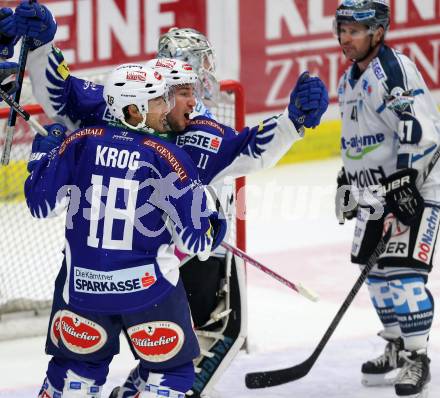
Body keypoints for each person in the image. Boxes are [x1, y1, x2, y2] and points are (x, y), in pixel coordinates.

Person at [9, 2, 328, 397]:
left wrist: (292, 122)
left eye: (192, 88)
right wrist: (41, 47)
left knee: (87, 368)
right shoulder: (152, 123)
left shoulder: (130, 116)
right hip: (152, 271)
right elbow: (63, 96)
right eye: (179, 91)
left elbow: (45, 183)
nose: (193, 99)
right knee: (171, 370)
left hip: (108, 267)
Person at [24, 63, 227, 398]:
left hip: (82, 288)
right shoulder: (169, 156)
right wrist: (215, 218)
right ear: (133, 111)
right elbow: (198, 240)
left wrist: (42, 156)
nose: (166, 108)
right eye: (159, 101)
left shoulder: (79, 142)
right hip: (148, 292)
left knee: (74, 374)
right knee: (171, 374)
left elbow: (41, 205)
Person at [334, 1, 439, 397]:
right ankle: (395, 346)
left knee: (403, 276)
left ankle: (417, 357)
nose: (346, 38)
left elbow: (415, 129)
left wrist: (403, 184)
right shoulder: (348, 79)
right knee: (376, 277)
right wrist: (347, 181)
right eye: (342, 29)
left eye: (355, 30)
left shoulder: (391, 71)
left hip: (416, 187)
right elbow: (357, 140)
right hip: (374, 193)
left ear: (378, 32)